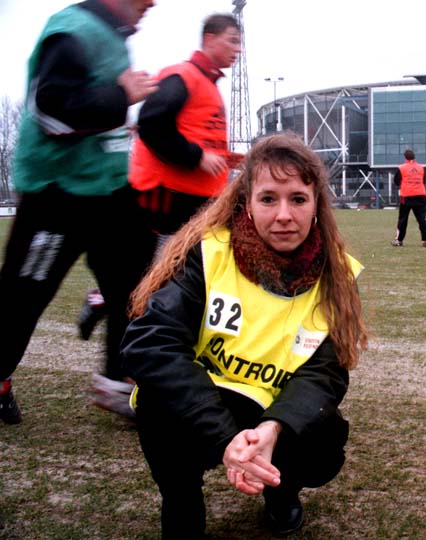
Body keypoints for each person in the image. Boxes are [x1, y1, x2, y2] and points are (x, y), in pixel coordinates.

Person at [120, 133, 368, 538]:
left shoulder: (337, 274)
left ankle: (280, 488)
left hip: (271, 415)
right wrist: (226, 438)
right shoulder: (208, 253)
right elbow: (149, 343)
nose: (284, 214)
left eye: (298, 199)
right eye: (269, 199)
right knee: (156, 402)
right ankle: (182, 503)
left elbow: (326, 374)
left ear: (316, 205)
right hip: (204, 407)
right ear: (247, 204)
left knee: (323, 437)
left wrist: (272, 430)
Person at [0, 0, 158, 425]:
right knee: (23, 297)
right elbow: (52, 110)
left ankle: (124, 385)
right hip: (57, 194)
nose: (154, 3)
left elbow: (94, 113)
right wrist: (122, 95)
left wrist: (120, 124)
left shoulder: (113, 37)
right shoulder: (72, 29)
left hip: (108, 192)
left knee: (139, 285)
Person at [77, 13, 244, 346]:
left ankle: (118, 309)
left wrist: (229, 159)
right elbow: (152, 124)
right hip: (165, 199)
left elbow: (201, 141)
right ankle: (107, 306)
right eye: (232, 41)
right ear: (209, 40)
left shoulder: (208, 86)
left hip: (199, 202)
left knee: (179, 276)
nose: (237, 49)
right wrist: (196, 157)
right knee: (156, 278)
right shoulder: (182, 76)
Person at [391, 149, 426, 247]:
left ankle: (399, 240)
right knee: (422, 218)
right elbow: (423, 180)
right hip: (421, 195)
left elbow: (396, 181)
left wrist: (405, 184)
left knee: (403, 219)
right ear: (414, 157)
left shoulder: (401, 168)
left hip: (407, 196)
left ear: (405, 157)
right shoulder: (421, 168)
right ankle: (425, 240)